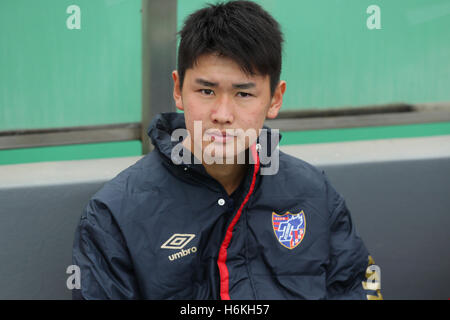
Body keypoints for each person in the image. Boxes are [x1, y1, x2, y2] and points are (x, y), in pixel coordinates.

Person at [72, 0, 382, 300]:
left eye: (243, 94)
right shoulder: (114, 214)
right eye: (206, 91)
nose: (222, 114)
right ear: (178, 90)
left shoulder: (315, 193)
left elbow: (357, 288)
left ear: (275, 99)